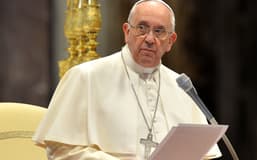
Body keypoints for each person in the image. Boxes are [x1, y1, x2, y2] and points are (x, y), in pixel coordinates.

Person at [33, 0, 222, 159]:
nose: (149, 38)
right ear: (126, 31)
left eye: (159, 31)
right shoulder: (86, 77)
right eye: (142, 28)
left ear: (171, 41)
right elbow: (60, 150)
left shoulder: (181, 88)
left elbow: (203, 155)